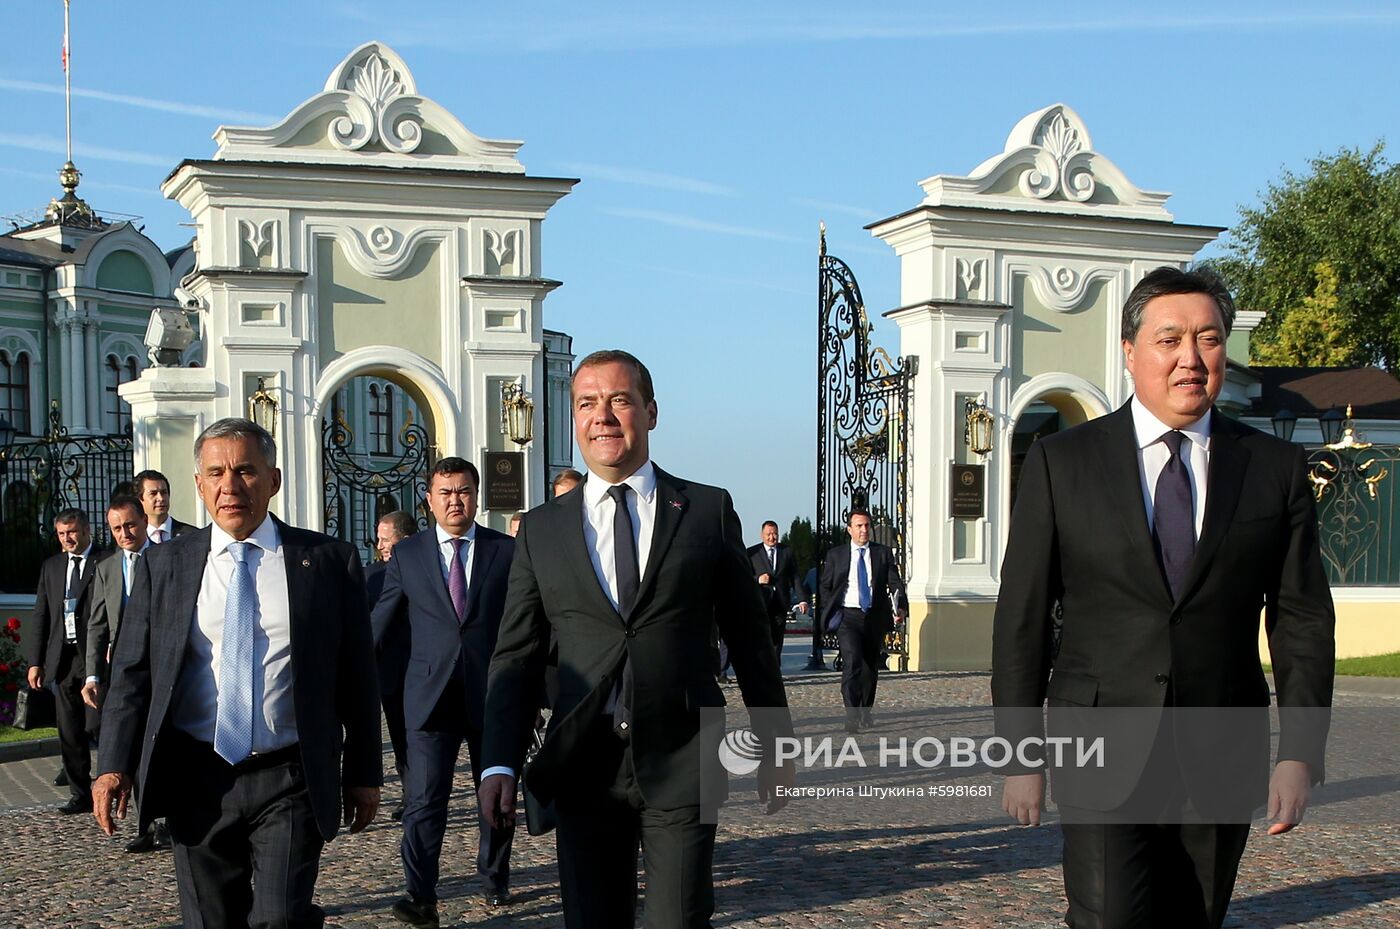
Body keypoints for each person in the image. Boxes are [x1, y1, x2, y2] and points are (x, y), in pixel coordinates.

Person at [992, 266, 1336, 929]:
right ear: (1130, 350)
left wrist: (1300, 751)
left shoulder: (1272, 468)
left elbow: (1300, 616)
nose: (1190, 357)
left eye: (1208, 339)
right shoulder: (1062, 461)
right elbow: (1022, 615)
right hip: (1097, 743)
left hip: (1221, 746)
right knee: (1109, 914)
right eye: (1169, 338)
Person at [478, 349, 794, 929]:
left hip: (682, 755)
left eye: (619, 401)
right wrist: (497, 761)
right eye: (587, 404)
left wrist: (776, 738)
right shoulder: (543, 530)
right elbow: (516, 655)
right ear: (574, 420)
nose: (603, 416)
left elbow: (750, 635)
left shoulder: (705, 510)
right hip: (583, 764)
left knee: (680, 917)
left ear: (650, 411)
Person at [92, 418, 382, 929]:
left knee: (280, 918)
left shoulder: (327, 561)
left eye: (245, 470)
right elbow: (132, 673)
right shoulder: (167, 565)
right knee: (210, 921)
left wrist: (362, 772)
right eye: (217, 473)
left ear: (272, 479)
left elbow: (357, 675)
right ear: (199, 484)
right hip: (196, 776)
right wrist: (113, 763)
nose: (231, 486)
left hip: (288, 776)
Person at [371, 458, 517, 927]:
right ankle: (421, 895)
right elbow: (382, 621)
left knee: (494, 797)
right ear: (430, 499)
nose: (456, 500)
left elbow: (523, 624)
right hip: (428, 697)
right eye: (446, 492)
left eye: (464, 491)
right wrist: (348, 671)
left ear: (477, 496)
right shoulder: (409, 554)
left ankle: (495, 878)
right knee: (423, 800)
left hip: (490, 695)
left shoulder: (506, 551)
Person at [79, 496, 169, 852]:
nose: (124, 533)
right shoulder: (106, 568)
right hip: (124, 668)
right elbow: (96, 626)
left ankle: (169, 819)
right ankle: (145, 824)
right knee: (128, 746)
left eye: (130, 525)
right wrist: (92, 676)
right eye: (116, 528)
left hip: (162, 665)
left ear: (144, 522)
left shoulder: (167, 559)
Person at [25, 507, 101, 814]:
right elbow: (41, 615)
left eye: (71, 532)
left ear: (85, 531)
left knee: (99, 725)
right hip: (63, 658)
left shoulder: (104, 561)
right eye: (61, 534)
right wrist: (35, 661)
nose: (67, 539)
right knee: (69, 729)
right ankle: (79, 793)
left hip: (95, 655)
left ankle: (115, 782)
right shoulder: (52, 567)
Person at [818, 508, 907, 732]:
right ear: (849, 529)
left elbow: (895, 583)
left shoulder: (882, 553)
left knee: (869, 668)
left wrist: (901, 606)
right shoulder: (835, 555)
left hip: (874, 616)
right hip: (848, 616)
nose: (864, 530)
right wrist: (833, 609)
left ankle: (865, 710)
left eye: (867, 525)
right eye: (859, 526)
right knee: (852, 662)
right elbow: (825, 586)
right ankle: (851, 714)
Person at [368, 509, 418, 822]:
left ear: (406, 539)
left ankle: (421, 795)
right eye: (379, 540)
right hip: (388, 670)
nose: (381, 545)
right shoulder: (370, 576)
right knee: (400, 737)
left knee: (421, 737)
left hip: (422, 667)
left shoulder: (425, 570)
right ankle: (410, 794)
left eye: (387, 539)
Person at [746, 519, 809, 651]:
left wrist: (802, 599)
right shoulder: (752, 553)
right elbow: (744, 577)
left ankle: (775, 668)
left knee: (777, 637)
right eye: (768, 534)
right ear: (762, 535)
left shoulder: (786, 552)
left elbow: (795, 577)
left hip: (780, 601)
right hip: (760, 602)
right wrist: (758, 579)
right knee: (760, 635)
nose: (771, 537)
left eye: (774, 534)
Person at [133, 469, 195, 544]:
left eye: (164, 492)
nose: (161, 498)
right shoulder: (133, 539)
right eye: (153, 493)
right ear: (140, 499)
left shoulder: (191, 535)